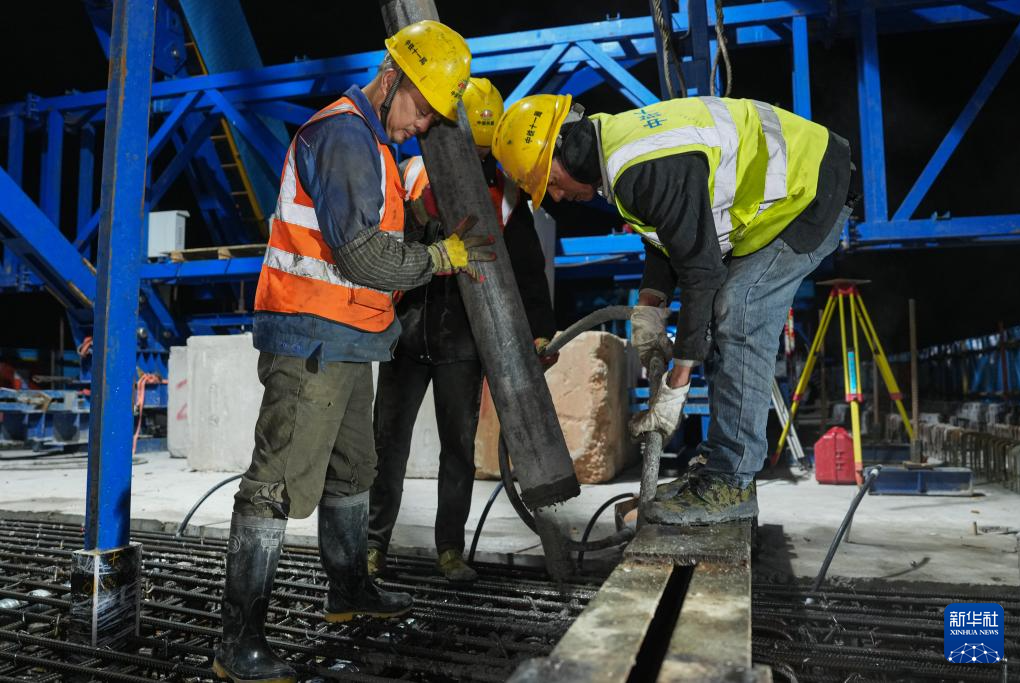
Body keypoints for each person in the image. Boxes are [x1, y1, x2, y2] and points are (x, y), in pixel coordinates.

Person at [213, 21, 492, 683]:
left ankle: (349, 592)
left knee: (353, 471)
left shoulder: (374, 143)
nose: (420, 125)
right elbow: (361, 256)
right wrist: (438, 258)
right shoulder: (343, 135)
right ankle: (238, 641)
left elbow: (374, 236)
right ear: (391, 78)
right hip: (310, 337)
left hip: (346, 338)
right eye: (421, 108)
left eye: (431, 118)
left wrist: (424, 229)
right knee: (275, 483)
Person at [492, 93, 851, 525]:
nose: (556, 195)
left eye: (550, 181)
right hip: (795, 189)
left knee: (739, 311)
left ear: (569, 152)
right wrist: (649, 306)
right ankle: (719, 466)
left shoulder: (639, 167)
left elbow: (702, 274)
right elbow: (666, 233)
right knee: (723, 313)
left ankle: (731, 482)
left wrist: (674, 389)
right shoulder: (616, 153)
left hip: (810, 190)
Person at [368, 78, 558, 584]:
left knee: (458, 450)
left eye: (483, 153)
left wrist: (541, 331)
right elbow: (383, 244)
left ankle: (450, 550)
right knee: (386, 446)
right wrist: (420, 217)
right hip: (407, 333)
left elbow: (529, 271)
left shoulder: (508, 195)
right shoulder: (412, 174)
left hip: (465, 342)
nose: (476, 161)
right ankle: (372, 545)